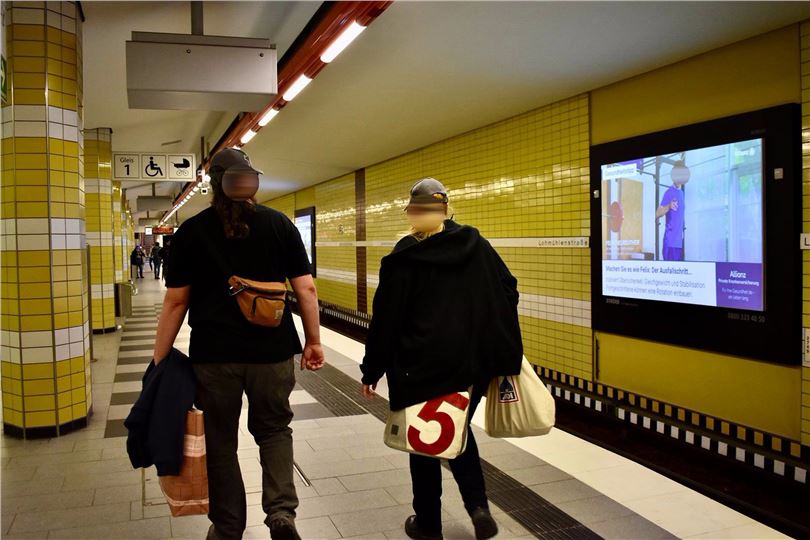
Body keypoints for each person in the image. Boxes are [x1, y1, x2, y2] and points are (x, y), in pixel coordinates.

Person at [151, 148, 325, 540]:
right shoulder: (279, 225)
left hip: (214, 357)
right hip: (272, 352)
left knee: (220, 440)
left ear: (215, 185)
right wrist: (313, 341)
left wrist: (159, 360)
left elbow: (176, 301)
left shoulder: (192, 232)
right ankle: (281, 514)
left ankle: (228, 526)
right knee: (274, 430)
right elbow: (306, 289)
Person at [360, 178, 523, 540]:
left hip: (418, 366)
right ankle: (478, 507)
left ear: (412, 213)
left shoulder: (404, 255)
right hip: (471, 364)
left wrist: (372, 369)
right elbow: (509, 289)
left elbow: (386, 318)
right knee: (457, 427)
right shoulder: (477, 245)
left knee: (423, 443)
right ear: (447, 210)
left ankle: (428, 524)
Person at [655, 160, 690, 261]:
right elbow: (657, 213)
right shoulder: (669, 193)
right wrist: (669, 206)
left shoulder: (682, 194)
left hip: (679, 242)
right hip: (670, 243)